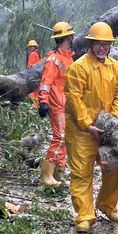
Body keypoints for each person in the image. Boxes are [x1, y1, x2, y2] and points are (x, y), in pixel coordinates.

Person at [64, 21, 118, 233]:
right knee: (82, 172)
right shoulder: (78, 67)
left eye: (106, 44)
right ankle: (84, 214)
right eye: (98, 43)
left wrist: (113, 119)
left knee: (115, 165)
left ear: (110, 46)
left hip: (106, 129)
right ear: (91, 44)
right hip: (81, 131)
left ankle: (107, 205)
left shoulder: (115, 67)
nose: (102, 47)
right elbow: (74, 98)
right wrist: (87, 124)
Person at [38, 22, 75, 187]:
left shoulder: (68, 58)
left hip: (66, 105)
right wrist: (43, 101)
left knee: (66, 138)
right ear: (68, 37)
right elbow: (46, 81)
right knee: (59, 138)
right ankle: (47, 175)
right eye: (71, 35)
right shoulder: (54, 59)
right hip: (56, 104)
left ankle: (59, 173)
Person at [26, 40, 42, 108]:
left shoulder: (33, 54)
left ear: (34, 47)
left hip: (33, 77)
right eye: (29, 47)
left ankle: (34, 107)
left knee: (32, 93)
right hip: (38, 77)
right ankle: (37, 106)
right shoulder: (38, 54)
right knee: (37, 93)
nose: (29, 48)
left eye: (31, 47)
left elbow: (31, 67)